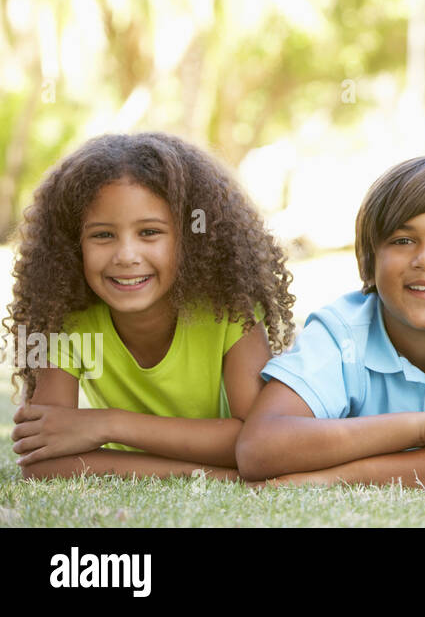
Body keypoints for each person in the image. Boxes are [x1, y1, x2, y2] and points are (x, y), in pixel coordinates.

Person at [237, 156, 425, 486]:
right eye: (402, 240)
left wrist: (347, 475)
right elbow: (258, 448)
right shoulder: (341, 330)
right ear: (370, 260)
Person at [7, 133, 295, 479]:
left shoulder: (230, 312)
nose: (126, 256)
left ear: (190, 239)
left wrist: (107, 425)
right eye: (102, 235)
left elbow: (259, 439)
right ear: (72, 245)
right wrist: (211, 474)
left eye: (149, 233)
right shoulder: (67, 322)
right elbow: (41, 459)